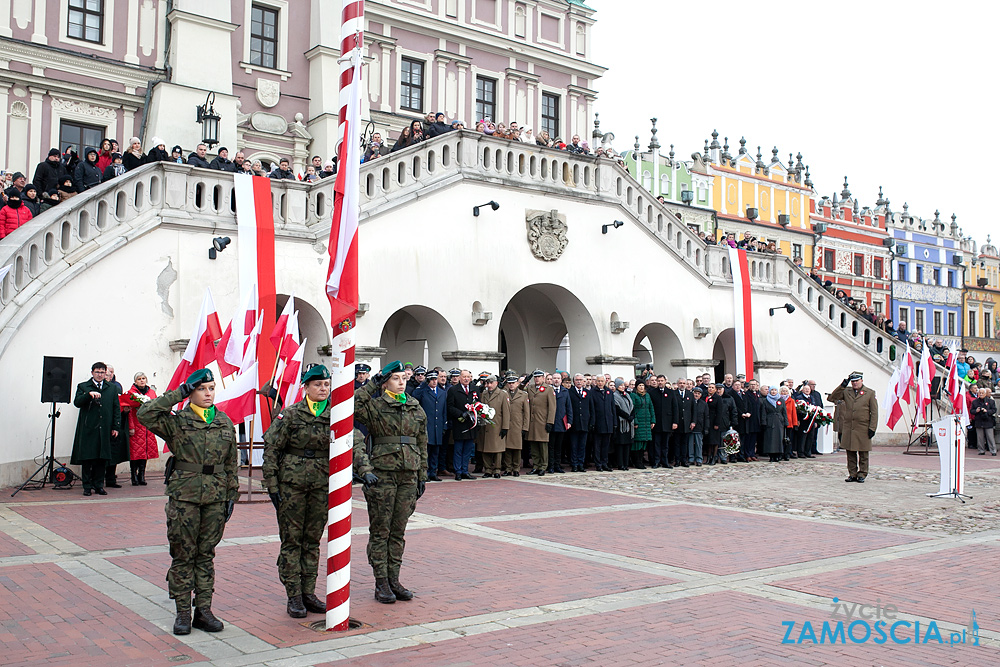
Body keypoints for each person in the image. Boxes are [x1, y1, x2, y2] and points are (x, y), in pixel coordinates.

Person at [137, 368, 238, 635]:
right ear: (191, 392)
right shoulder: (177, 420)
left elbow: (231, 464)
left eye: (211, 388)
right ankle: (183, 612)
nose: (208, 393)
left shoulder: (225, 422)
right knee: (183, 554)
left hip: (216, 497)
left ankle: (203, 611)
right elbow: (144, 414)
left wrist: (231, 495)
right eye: (202, 389)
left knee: (206, 555)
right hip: (185, 497)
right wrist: (177, 393)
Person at [352, 360, 427, 604]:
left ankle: (394, 578)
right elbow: (351, 405)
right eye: (396, 378)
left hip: (408, 474)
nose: (402, 382)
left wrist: (421, 475)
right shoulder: (375, 405)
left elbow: (422, 444)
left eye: (404, 378)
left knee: (398, 530)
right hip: (383, 474)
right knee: (381, 530)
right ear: (385, 383)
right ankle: (381, 581)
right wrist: (371, 384)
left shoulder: (415, 407)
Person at [262, 364, 333, 618]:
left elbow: (352, 442)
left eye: (326, 384)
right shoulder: (291, 415)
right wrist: (271, 486)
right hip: (291, 486)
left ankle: (308, 592)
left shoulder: (336, 414)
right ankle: (293, 595)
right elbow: (271, 450)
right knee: (292, 540)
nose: (323, 388)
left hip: (321, 485)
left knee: (312, 540)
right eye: (317, 384)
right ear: (306, 387)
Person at [70, 362, 121, 496]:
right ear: (92, 372)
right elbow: (77, 402)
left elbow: (116, 407)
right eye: (97, 372)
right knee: (88, 458)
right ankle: (87, 486)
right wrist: (88, 395)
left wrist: (116, 426)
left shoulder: (111, 388)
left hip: (104, 428)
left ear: (106, 374)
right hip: (88, 428)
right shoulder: (83, 386)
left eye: (102, 372)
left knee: (101, 458)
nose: (100, 375)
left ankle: (99, 485)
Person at [827, 371, 878, 483]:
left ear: (861, 381)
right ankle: (852, 474)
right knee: (850, 452)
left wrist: (872, 428)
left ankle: (862, 474)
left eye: (857, 381)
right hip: (849, 427)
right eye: (853, 381)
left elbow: (874, 412)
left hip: (863, 426)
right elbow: (832, 398)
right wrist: (842, 385)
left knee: (863, 452)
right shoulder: (846, 391)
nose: (854, 383)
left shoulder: (869, 393)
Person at [120, 371, 158, 485]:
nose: (142, 380)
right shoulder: (131, 393)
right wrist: (131, 427)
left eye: (143, 378)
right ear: (135, 381)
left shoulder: (151, 392)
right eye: (139, 379)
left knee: (145, 452)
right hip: (136, 426)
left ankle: (142, 475)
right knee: (135, 453)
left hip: (147, 426)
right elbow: (130, 411)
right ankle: (133, 475)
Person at [413, 370, 447, 481]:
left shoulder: (442, 392)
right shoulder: (423, 391)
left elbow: (444, 410)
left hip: (438, 425)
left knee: (435, 451)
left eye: (435, 379)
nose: (434, 381)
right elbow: (415, 397)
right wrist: (423, 384)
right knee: (426, 451)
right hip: (427, 426)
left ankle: (433, 471)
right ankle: (425, 472)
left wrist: (444, 425)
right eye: (431, 379)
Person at [447, 369, 479, 479]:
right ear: (460, 378)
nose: (466, 379)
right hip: (459, 423)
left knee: (468, 449)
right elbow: (450, 407)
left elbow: (478, 404)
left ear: (471, 378)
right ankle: (458, 471)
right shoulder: (453, 390)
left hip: (471, 424)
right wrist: (461, 414)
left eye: (468, 377)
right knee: (458, 449)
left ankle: (465, 470)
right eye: (464, 377)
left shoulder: (475, 389)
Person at [103, 365, 131, 488]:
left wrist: (125, 410)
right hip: (103, 423)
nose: (110, 375)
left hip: (115, 422)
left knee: (114, 452)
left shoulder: (117, 386)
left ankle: (110, 479)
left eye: (112, 372)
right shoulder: (99, 386)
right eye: (108, 372)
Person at [524, 370, 556, 475]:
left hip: (542, 421)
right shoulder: (530, 388)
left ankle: (543, 466)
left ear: (543, 378)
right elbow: (519, 390)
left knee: (542, 445)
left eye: (539, 377)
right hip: (532, 422)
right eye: (535, 377)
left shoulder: (548, 389)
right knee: (533, 445)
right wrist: (525, 380)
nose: (537, 379)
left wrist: (550, 422)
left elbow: (552, 407)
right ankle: (536, 465)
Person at [478, 375, 510, 478]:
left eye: (491, 383)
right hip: (485, 425)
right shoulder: (484, 394)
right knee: (485, 448)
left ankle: (497, 469)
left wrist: (505, 427)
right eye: (487, 383)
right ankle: (487, 469)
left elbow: (506, 412)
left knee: (497, 449)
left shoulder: (502, 394)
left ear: (496, 383)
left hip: (497, 425)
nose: (489, 385)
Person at [502, 373, 530, 476]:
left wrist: (525, 427)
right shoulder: (504, 394)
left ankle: (516, 468)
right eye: (509, 383)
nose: (511, 385)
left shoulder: (523, 395)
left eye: (513, 383)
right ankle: (508, 468)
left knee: (517, 448)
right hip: (507, 424)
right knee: (507, 448)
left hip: (518, 424)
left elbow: (526, 412)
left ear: (517, 383)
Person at [567, 373, 592, 472]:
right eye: (577, 380)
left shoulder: (587, 392)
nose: (579, 381)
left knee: (582, 445)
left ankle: (581, 464)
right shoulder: (570, 392)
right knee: (573, 445)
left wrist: (591, 421)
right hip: (574, 423)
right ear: (574, 381)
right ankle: (574, 464)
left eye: (580, 380)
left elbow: (591, 408)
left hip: (585, 423)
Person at [548, 376, 573, 473]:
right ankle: (550, 466)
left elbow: (569, 407)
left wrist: (569, 421)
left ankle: (557, 465)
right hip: (551, 422)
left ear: (561, 381)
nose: (556, 380)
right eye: (554, 378)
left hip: (561, 422)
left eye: (558, 378)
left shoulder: (565, 391)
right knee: (551, 446)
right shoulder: (548, 390)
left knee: (559, 446)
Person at [631, 380, 654, 469]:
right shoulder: (633, 395)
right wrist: (635, 421)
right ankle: (637, 461)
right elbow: (632, 409)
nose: (641, 387)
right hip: (639, 422)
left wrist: (653, 420)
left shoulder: (647, 395)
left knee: (644, 442)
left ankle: (641, 460)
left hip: (646, 422)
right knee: (638, 443)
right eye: (639, 385)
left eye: (642, 385)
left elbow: (651, 407)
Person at [761, 386, 787, 462]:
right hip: (770, 421)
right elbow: (763, 412)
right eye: (772, 390)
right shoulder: (766, 401)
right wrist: (764, 422)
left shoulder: (781, 400)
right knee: (770, 439)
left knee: (779, 439)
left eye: (775, 390)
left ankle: (778, 455)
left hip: (779, 422)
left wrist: (786, 422)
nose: (773, 392)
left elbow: (784, 412)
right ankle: (771, 456)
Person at [971, 387, 997, 455]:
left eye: (982, 393)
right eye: (980, 393)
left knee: (990, 437)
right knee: (980, 438)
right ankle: (981, 450)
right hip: (979, 421)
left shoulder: (991, 401)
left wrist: (987, 411)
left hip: (988, 421)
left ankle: (993, 450)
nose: (981, 394)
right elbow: (971, 410)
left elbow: (994, 410)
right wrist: (976, 411)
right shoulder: (975, 402)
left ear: (985, 394)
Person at [688, 386, 707, 465]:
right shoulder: (689, 402)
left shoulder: (703, 404)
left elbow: (706, 416)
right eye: (695, 393)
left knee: (699, 444)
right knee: (690, 444)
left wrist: (706, 427)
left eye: (698, 393)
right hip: (690, 427)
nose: (696, 395)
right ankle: (691, 458)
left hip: (699, 426)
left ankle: (699, 459)